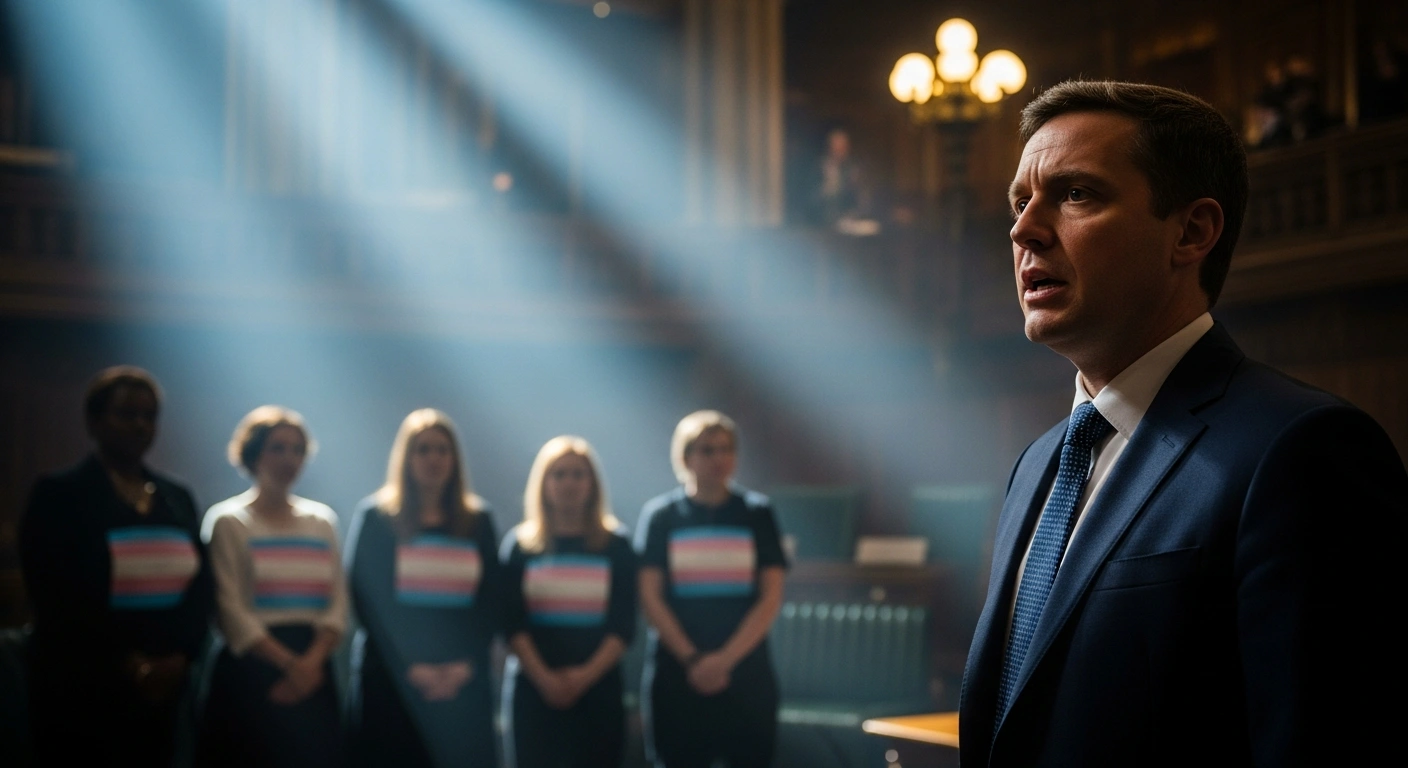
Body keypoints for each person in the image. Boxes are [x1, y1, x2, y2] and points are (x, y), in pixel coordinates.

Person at [959, 81, 1408, 767]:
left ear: (1192, 232)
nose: (1024, 230)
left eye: (1075, 194)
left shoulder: (1303, 450)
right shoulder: (1038, 463)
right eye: (1021, 202)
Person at [20, 366, 213, 766]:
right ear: (94, 421)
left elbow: (200, 587)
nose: (140, 425)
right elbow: (55, 596)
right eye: (127, 414)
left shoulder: (176, 497)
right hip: (85, 686)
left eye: (149, 416)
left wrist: (179, 658)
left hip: (165, 686)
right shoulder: (60, 494)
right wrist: (132, 665)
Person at [345, 409, 502, 768]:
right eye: (423, 449)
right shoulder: (376, 518)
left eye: (442, 450)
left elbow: (492, 600)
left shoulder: (478, 521)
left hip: (463, 683)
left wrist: (460, 667)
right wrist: (411, 668)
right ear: (406, 458)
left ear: (455, 459)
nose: (434, 459)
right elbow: (367, 599)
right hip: (391, 681)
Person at [636, 411, 788, 768]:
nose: (718, 458)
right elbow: (650, 597)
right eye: (707, 450)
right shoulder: (661, 516)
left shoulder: (757, 513)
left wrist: (724, 660)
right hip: (677, 672)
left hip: (745, 672)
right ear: (685, 457)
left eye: (726, 449)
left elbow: (770, 595)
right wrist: (693, 659)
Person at [198, 406, 347, 768]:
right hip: (252, 669)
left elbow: (337, 605)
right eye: (278, 448)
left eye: (297, 449)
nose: (289, 459)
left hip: (313, 665)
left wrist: (309, 665)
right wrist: (288, 665)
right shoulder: (229, 521)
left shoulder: (322, 522)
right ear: (253, 454)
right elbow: (229, 609)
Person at [500, 436, 637, 768]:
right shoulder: (520, 547)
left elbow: (623, 623)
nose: (569, 483)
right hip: (534, 691)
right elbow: (511, 622)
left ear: (593, 483)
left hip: (598, 691)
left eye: (578, 474)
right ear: (543, 483)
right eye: (559, 474)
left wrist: (583, 677)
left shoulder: (617, 546)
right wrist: (545, 678)